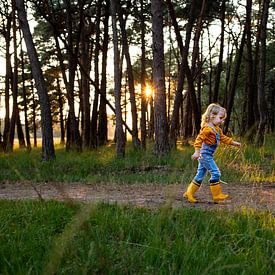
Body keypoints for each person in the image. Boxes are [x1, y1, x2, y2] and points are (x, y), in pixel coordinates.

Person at [184, 103, 241, 203]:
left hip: (207, 155)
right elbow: (198, 140)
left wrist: (233, 143)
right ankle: (217, 195)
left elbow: (223, 138)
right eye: (220, 118)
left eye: (223, 119)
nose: (222, 121)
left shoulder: (217, 129)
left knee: (200, 175)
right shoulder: (207, 129)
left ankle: (189, 192)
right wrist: (197, 152)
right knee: (216, 173)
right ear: (212, 116)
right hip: (205, 156)